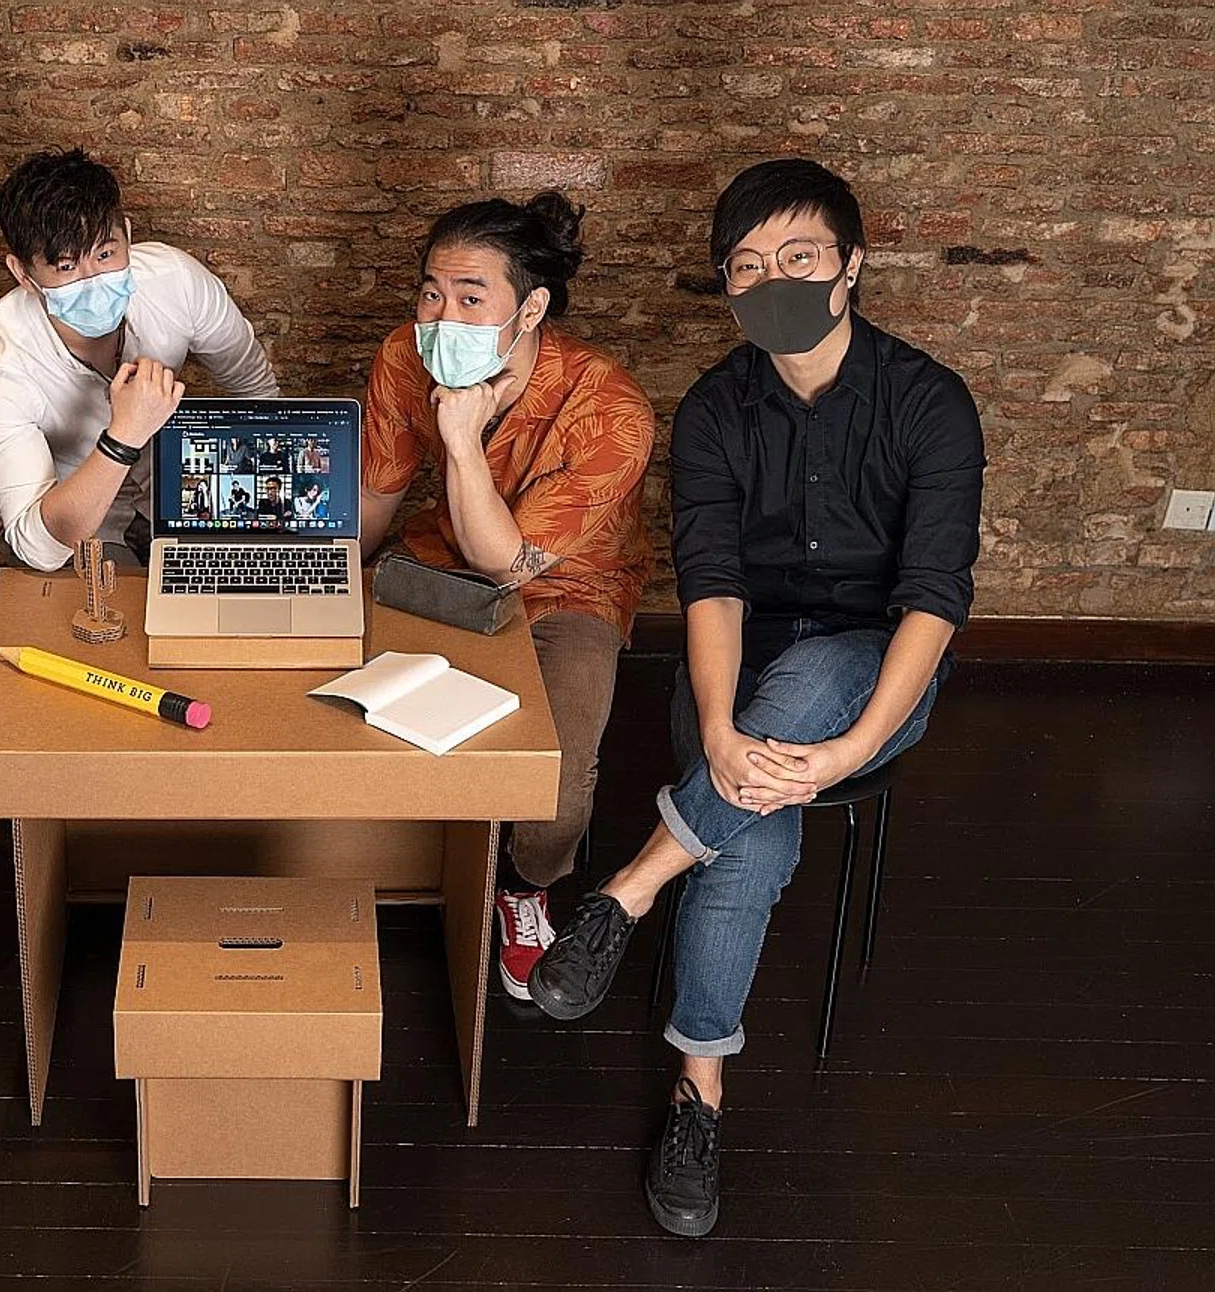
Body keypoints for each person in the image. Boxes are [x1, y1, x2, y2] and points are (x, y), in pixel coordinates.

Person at [525, 159, 985, 1237]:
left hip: (881, 671)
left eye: (799, 257)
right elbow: (715, 588)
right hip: (735, 673)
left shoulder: (930, 403)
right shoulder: (718, 411)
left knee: (827, 672)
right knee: (756, 839)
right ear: (727, 285)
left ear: (850, 265)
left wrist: (852, 748)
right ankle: (701, 1093)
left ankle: (629, 890)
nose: (772, 279)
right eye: (747, 265)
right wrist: (726, 731)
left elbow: (933, 598)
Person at [360, 193, 655, 1004]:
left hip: (566, 585)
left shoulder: (610, 409)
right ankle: (382, 861)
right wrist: (316, 584)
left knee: (555, 778)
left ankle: (526, 888)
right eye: (430, 292)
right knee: (342, 702)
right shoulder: (401, 358)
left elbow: (509, 566)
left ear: (531, 309)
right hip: (439, 561)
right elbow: (377, 501)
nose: (439, 315)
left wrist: (458, 438)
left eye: (469, 296)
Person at [0, 147, 280, 569]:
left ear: (128, 236)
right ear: (23, 274)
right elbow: (35, 545)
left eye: (105, 254)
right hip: (80, 525)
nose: (93, 278)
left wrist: (259, 508)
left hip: (189, 496)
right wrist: (124, 436)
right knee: (110, 620)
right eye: (65, 266)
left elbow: (257, 393)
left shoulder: (177, 282)